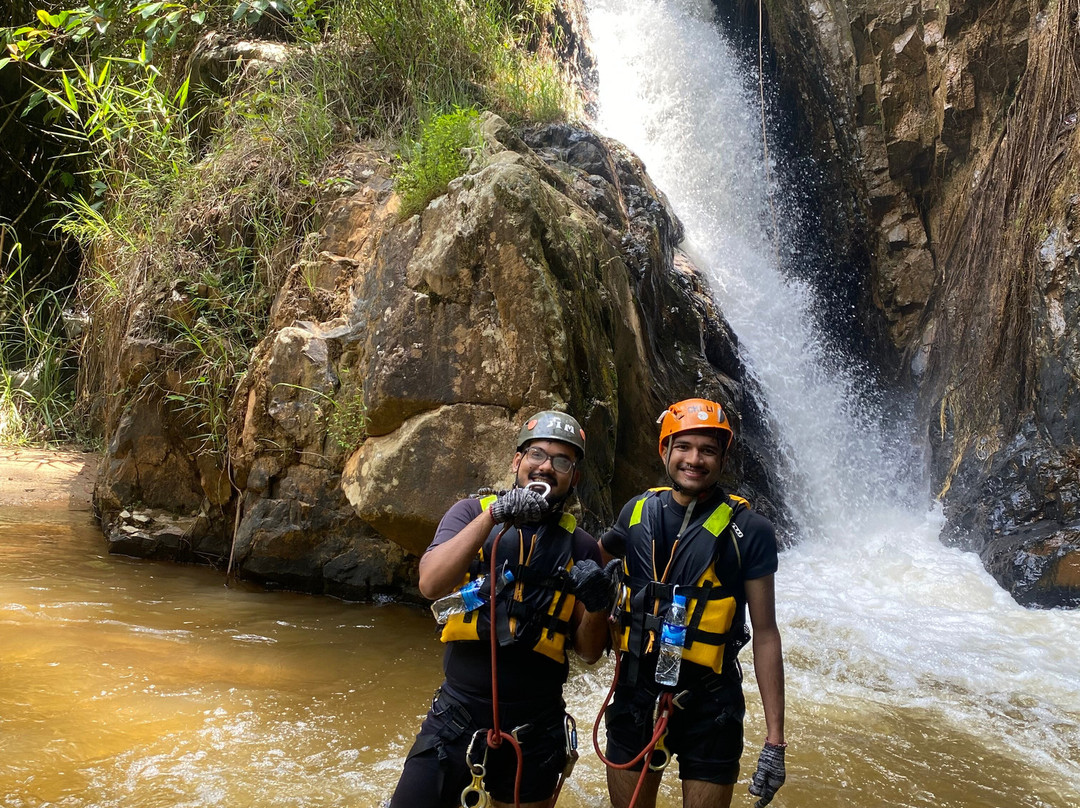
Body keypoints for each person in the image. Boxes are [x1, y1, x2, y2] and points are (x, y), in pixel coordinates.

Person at [390, 410, 615, 808]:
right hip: (457, 714)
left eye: (562, 461)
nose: (546, 467)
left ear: (574, 477)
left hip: (536, 726)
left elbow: (589, 652)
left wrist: (598, 606)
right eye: (537, 454)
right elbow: (430, 584)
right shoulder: (469, 513)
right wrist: (494, 515)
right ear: (517, 461)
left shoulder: (581, 547)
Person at [599, 398, 786, 808]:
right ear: (664, 450)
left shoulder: (750, 530)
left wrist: (775, 740)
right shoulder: (635, 513)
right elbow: (596, 561)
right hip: (635, 694)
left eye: (708, 450)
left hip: (710, 703)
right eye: (683, 446)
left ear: (723, 458)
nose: (694, 460)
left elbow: (766, 633)